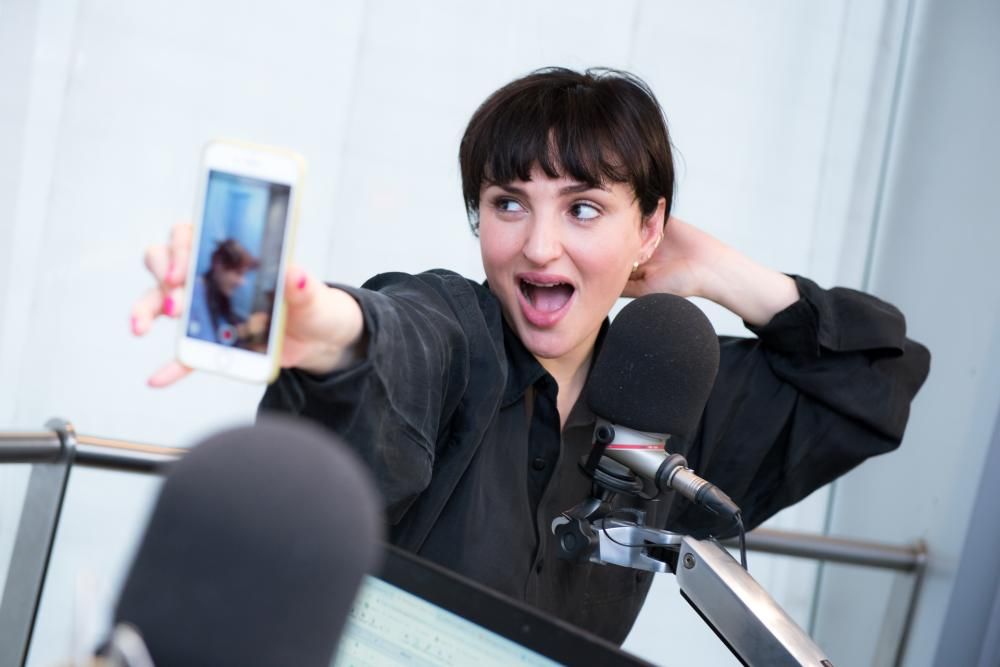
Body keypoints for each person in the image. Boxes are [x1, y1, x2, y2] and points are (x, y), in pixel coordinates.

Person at [131, 67, 930, 644]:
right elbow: (397, 335)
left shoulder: (666, 386)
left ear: (649, 228)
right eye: (508, 203)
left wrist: (720, 272)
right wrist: (322, 325)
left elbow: (875, 382)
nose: (540, 246)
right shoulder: (456, 328)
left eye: (583, 209)